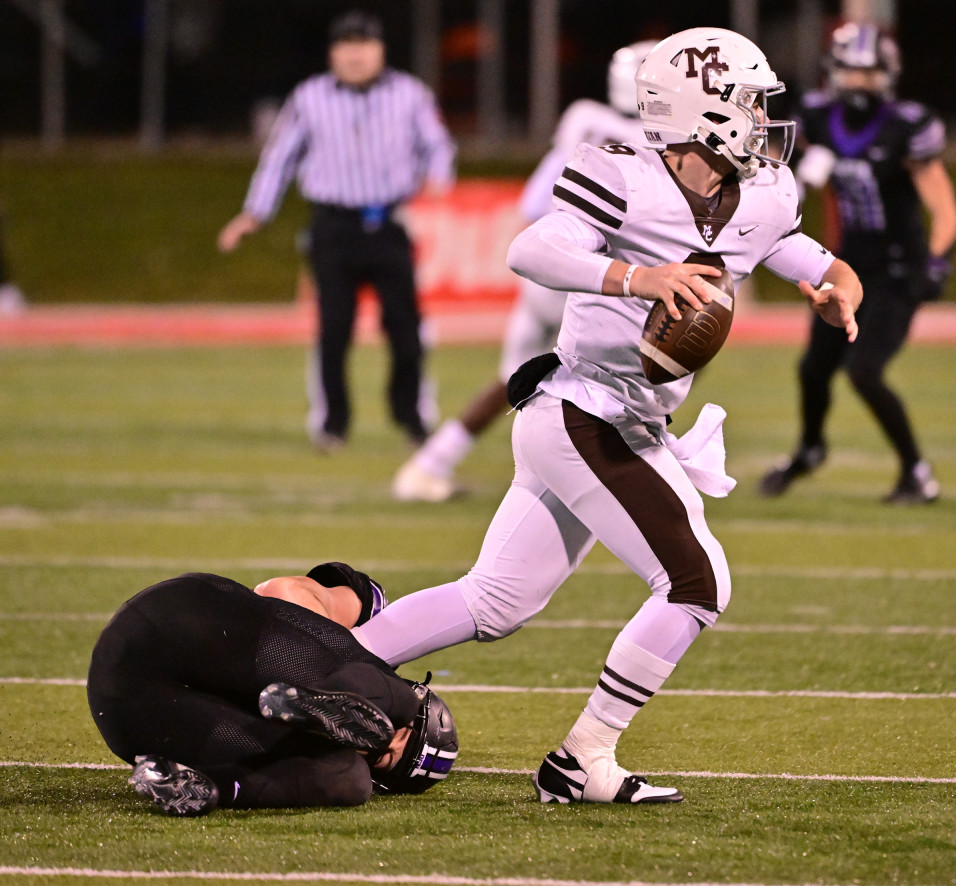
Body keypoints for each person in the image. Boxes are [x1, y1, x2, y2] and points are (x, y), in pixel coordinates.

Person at [353, 27, 861, 804]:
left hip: (621, 421)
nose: (763, 119)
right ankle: (583, 757)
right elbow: (532, 250)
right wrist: (637, 277)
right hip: (583, 409)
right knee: (697, 582)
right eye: (751, 103)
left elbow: (805, 255)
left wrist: (836, 288)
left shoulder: (760, 195)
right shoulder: (623, 177)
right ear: (705, 111)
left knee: (494, 602)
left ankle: (329, 660)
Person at [392, 41, 656, 503]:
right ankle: (628, 475)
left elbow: (534, 201)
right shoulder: (654, 142)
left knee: (514, 377)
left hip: (544, 269)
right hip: (594, 279)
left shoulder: (583, 122)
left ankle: (429, 465)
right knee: (640, 370)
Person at [218, 10, 456, 453]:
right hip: (332, 226)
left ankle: (414, 417)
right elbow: (279, 158)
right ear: (332, 53)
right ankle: (331, 424)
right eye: (346, 45)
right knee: (333, 330)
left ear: (380, 50)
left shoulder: (409, 94)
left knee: (406, 328)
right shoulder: (309, 97)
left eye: (364, 44)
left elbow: (437, 143)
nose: (355, 54)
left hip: (389, 222)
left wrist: (440, 175)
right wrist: (254, 213)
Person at [759, 22, 956, 504]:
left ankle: (918, 472)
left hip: (897, 269)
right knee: (812, 369)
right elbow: (766, 165)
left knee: (864, 370)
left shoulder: (904, 125)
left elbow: (945, 209)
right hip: (849, 267)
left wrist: (937, 263)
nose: (857, 83)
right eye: (850, 71)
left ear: (887, 76)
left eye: (868, 73)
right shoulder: (815, 116)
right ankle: (809, 449)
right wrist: (790, 171)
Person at [87, 561, 458, 816]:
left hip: (128, 707)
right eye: (398, 730)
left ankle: (209, 788)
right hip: (187, 624)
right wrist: (342, 666)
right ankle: (329, 696)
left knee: (351, 782)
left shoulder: (332, 761)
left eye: (382, 755)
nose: (381, 741)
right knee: (361, 673)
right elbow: (282, 591)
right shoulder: (365, 634)